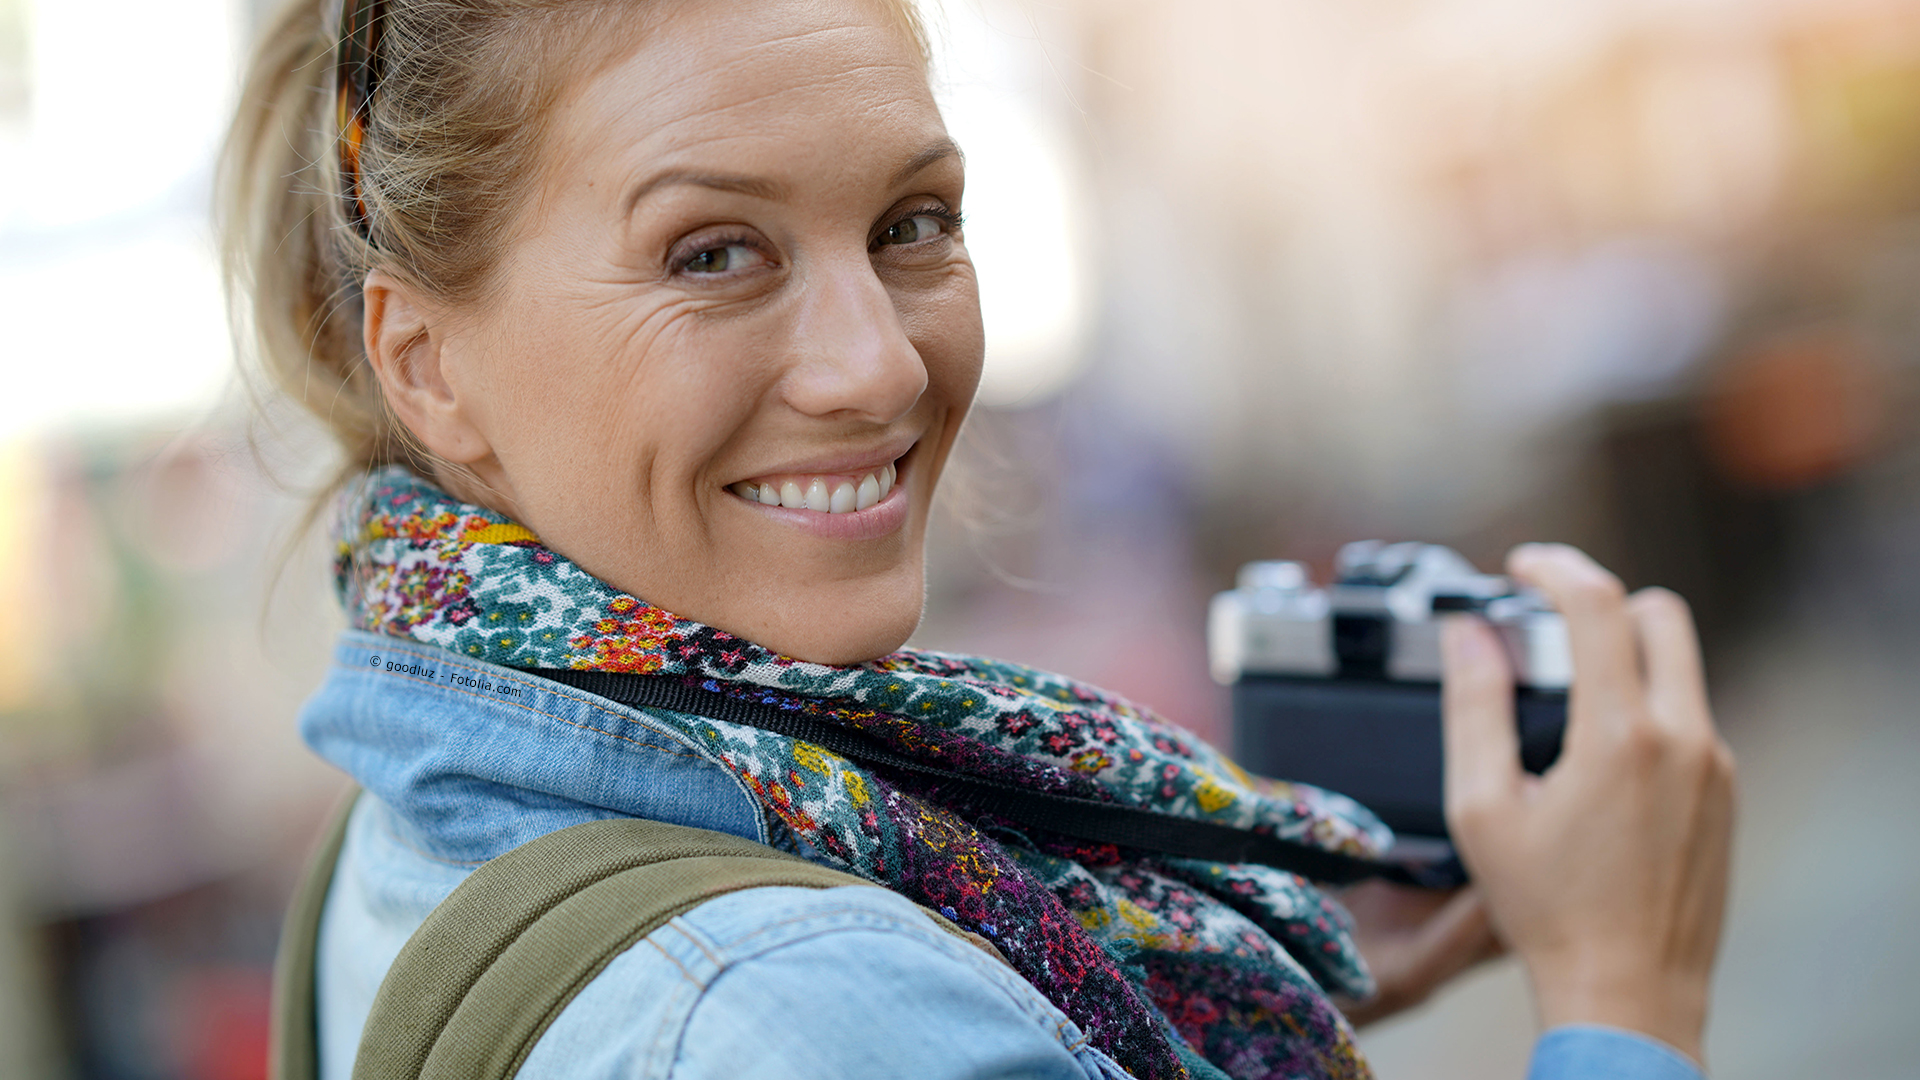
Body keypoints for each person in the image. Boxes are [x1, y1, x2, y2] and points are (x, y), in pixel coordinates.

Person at [220, 0, 1737, 1077]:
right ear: (425, 362)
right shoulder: (801, 1013)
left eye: (911, 224)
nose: (877, 364)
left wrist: (1190, 996)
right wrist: (1623, 997)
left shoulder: (408, 819)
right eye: (712, 251)